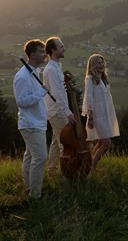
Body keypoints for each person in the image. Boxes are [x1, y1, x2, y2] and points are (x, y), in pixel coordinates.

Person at [13, 39, 48, 199]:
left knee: (30, 156)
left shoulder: (34, 72)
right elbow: (21, 101)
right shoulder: (22, 76)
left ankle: (28, 188)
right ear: (32, 54)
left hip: (36, 122)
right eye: (41, 51)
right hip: (30, 123)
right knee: (40, 157)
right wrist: (42, 92)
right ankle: (35, 195)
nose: (44, 54)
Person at [43, 36, 75, 173]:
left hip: (57, 110)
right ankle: (67, 173)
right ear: (53, 50)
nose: (64, 48)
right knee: (65, 143)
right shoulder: (51, 69)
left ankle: (51, 169)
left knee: (56, 142)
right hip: (57, 112)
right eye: (61, 46)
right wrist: (68, 113)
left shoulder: (56, 67)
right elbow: (57, 95)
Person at [82, 53, 119, 172]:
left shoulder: (103, 78)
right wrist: (90, 117)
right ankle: (92, 166)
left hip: (106, 113)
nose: (101, 64)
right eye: (98, 62)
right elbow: (89, 98)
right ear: (92, 65)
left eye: (102, 62)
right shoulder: (90, 79)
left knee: (101, 141)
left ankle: (88, 164)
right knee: (106, 143)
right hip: (97, 115)